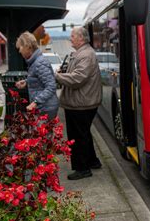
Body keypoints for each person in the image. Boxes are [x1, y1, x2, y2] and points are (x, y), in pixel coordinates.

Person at [55, 27, 102, 180]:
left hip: (81, 104)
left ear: (81, 38)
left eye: (73, 36)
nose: (70, 38)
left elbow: (77, 79)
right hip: (81, 102)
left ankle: (82, 169)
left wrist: (56, 76)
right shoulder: (82, 53)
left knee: (78, 137)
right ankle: (92, 161)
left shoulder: (86, 54)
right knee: (84, 134)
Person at [14, 31, 59, 119]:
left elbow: (51, 86)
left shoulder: (39, 62)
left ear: (28, 46)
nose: (19, 51)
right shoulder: (35, 62)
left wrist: (35, 102)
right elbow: (40, 79)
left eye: (20, 47)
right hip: (44, 107)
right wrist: (27, 82)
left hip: (46, 108)